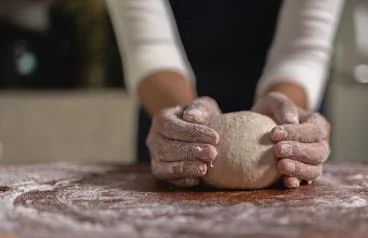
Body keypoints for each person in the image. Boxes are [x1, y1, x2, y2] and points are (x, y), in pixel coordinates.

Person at [106, 0, 344, 189]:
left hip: (284, 108)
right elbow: (149, 47)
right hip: (172, 112)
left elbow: (302, 52)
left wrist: (286, 120)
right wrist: (185, 125)